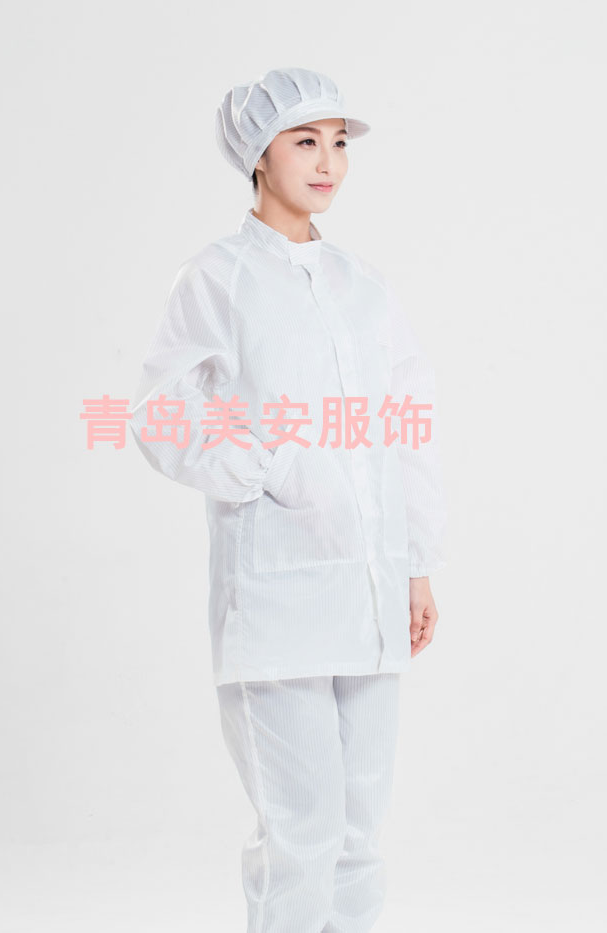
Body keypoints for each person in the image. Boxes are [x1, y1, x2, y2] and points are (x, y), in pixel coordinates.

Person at [129, 66, 447, 932]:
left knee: (358, 835)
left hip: (370, 595)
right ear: (258, 156)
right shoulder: (219, 277)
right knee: (302, 831)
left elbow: (405, 423)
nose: (329, 161)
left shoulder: (362, 284)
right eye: (305, 141)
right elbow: (159, 411)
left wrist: (417, 564)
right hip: (275, 601)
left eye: (339, 142)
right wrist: (265, 466)